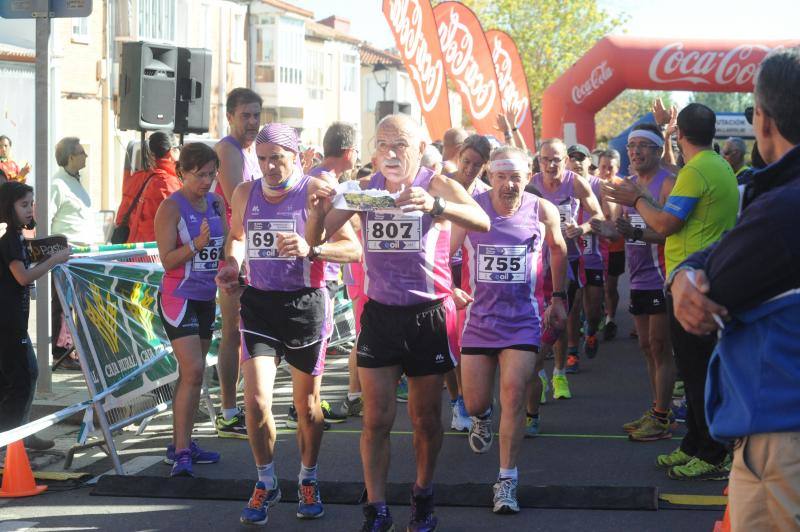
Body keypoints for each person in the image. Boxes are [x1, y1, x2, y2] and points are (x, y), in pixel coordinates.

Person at [313, 114, 490, 531]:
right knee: (375, 418)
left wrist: (436, 207)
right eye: (383, 145)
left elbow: (482, 221)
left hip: (428, 315)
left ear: (420, 148)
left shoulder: (436, 184)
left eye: (401, 145)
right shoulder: (363, 191)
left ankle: (423, 495)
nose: (391, 154)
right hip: (380, 314)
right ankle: (376, 509)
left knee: (425, 419)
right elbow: (317, 237)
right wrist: (318, 210)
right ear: (373, 150)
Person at [669, 46, 800, 530]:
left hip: (781, 431)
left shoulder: (785, 207)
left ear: (764, 120)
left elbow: (716, 282)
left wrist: (685, 275)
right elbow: (724, 250)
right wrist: (688, 271)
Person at [216, 123, 360, 526]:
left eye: (277, 158)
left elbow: (353, 249)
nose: (269, 167)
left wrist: (312, 249)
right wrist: (233, 265)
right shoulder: (245, 192)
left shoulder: (317, 190)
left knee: (306, 408)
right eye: (262, 159)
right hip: (259, 304)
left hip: (304, 305)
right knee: (256, 401)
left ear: (295, 156)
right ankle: (266, 481)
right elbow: (237, 237)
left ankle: (308, 477)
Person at [603, 103, 738, 480]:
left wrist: (636, 199)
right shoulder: (717, 164)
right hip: (698, 279)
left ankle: (713, 453)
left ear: (679, 136)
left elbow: (665, 224)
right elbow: (672, 226)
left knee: (698, 374)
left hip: (694, 285)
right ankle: (694, 444)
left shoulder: (696, 171)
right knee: (692, 373)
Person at [452, 145, 567, 514]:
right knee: (475, 403)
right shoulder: (471, 210)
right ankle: (482, 418)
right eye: (501, 176)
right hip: (478, 321)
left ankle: (507, 479)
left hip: (522, 321)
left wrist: (558, 298)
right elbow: (444, 254)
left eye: (516, 177)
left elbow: (559, 249)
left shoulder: (542, 210)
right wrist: (449, 288)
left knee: (515, 394)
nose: (508, 184)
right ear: (490, 176)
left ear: (527, 176)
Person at [592, 123, 677, 442]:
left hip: (663, 276)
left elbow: (670, 231)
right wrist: (602, 229)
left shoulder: (667, 183)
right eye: (631, 146)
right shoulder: (627, 185)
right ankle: (657, 409)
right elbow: (620, 229)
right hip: (638, 278)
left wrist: (635, 232)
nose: (636, 151)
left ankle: (662, 416)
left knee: (660, 346)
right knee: (645, 347)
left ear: (657, 150)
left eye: (643, 145)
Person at [154, 143, 225, 477]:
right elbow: (167, 260)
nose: (207, 181)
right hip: (178, 297)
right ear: (182, 173)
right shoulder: (171, 207)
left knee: (192, 375)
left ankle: (182, 443)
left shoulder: (215, 202)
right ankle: (181, 452)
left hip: (206, 296)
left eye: (211, 174)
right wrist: (196, 245)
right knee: (194, 370)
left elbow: (223, 247)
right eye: (199, 175)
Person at [527, 138, 603, 401]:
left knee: (560, 317)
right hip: (537, 260)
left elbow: (598, 215)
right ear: (539, 161)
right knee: (537, 318)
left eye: (556, 160)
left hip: (568, 259)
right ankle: (538, 373)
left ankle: (559, 373)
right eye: (545, 160)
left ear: (565, 161)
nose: (550, 165)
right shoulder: (531, 184)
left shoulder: (576, 182)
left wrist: (581, 229)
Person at [0, 181, 70, 450]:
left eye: (31, 204)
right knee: (25, 376)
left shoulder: (17, 238)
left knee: (17, 378)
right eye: (24, 205)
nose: (30, 209)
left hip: (12, 321)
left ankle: (19, 432)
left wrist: (52, 252)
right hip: (9, 323)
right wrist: (54, 260)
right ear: (9, 207)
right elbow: (23, 277)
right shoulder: (10, 240)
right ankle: (13, 439)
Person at [298, 121, 360, 426]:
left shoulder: (314, 176)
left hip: (316, 272)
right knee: (317, 344)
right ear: (348, 152)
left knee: (313, 344)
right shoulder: (326, 183)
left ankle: (307, 404)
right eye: (357, 150)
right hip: (319, 273)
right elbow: (340, 234)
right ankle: (306, 407)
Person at [213, 88, 263, 440]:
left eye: (256, 115)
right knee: (232, 332)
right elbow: (239, 200)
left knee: (254, 331)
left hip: (254, 247)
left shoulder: (253, 150)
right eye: (245, 115)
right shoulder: (228, 150)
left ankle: (248, 404)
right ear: (230, 116)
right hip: (232, 249)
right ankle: (229, 411)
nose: (252, 122)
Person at [50, 137, 101, 370]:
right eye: (82, 152)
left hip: (83, 254)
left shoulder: (74, 181)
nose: (86, 156)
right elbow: (46, 218)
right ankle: (62, 352)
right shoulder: (58, 185)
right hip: (67, 254)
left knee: (78, 305)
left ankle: (74, 349)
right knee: (64, 304)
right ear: (70, 157)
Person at [564, 143, 606, 373]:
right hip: (570, 256)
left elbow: (607, 220)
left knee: (593, 310)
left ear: (590, 162)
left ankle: (590, 331)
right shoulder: (560, 185)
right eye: (572, 158)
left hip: (592, 256)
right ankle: (572, 352)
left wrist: (585, 229)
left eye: (581, 158)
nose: (576, 162)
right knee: (572, 306)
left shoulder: (599, 186)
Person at [125, 132, 182, 243]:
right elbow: (179, 221)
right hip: (156, 248)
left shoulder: (137, 177)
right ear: (172, 151)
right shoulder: (169, 183)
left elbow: (121, 215)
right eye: (179, 148)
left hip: (132, 245)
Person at [596, 149, 624, 339]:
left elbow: (616, 217)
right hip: (596, 245)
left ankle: (610, 319)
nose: (606, 171)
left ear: (618, 168)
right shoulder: (591, 184)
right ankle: (595, 316)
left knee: (610, 287)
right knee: (596, 288)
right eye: (603, 167)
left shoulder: (622, 186)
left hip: (615, 245)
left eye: (610, 168)